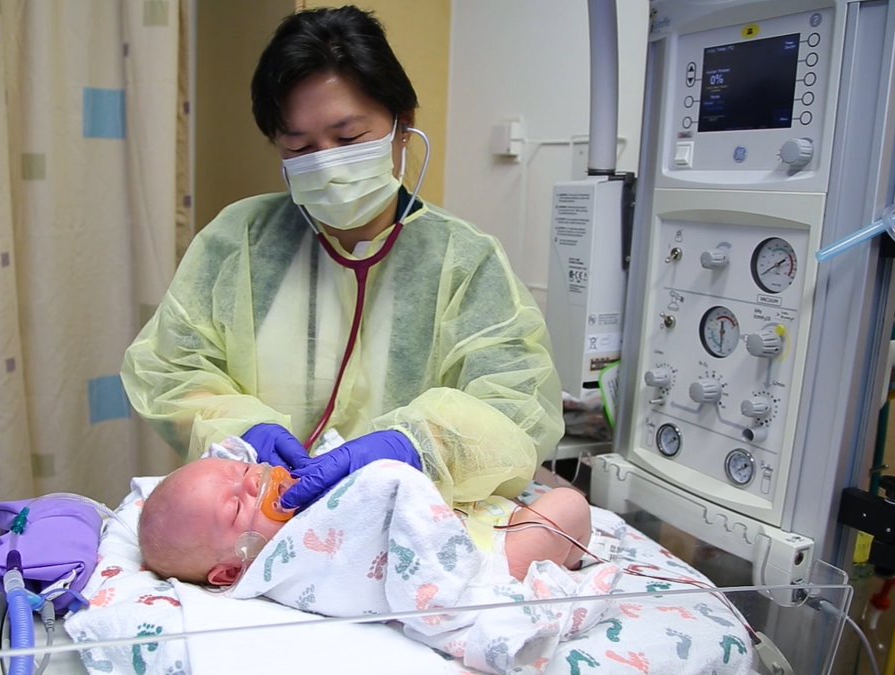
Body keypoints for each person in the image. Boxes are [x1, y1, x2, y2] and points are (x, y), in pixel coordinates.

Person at [121, 5, 563, 513]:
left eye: (349, 139)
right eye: (299, 147)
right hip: (265, 512)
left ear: (403, 125)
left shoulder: (464, 263)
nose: (326, 162)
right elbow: (171, 370)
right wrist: (244, 428)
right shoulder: (239, 240)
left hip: (406, 515)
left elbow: (516, 409)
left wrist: (416, 447)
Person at [138, 456, 592, 586]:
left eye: (244, 470)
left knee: (529, 504)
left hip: (468, 520)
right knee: (567, 505)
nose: (255, 482)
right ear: (231, 570)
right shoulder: (287, 564)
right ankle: (536, 571)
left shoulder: (307, 491)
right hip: (475, 566)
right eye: (237, 507)